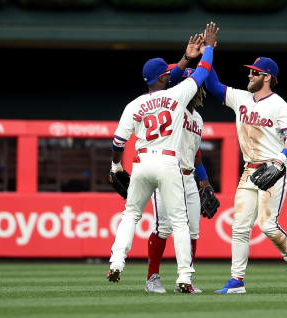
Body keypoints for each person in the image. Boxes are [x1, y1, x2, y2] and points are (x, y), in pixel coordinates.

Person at [107, 22, 219, 293]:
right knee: (178, 222)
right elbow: (203, 72)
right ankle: (183, 276)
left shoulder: (135, 104)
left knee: (131, 214)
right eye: (167, 74)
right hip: (168, 163)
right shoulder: (176, 97)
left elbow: (118, 142)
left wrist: (115, 166)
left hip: (143, 161)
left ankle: (116, 262)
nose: (171, 75)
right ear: (162, 78)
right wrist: (209, 49)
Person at [204, 56, 287, 293]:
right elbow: (212, 85)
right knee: (239, 227)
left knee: (268, 226)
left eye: (255, 72)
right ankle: (237, 280)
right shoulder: (240, 97)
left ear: (267, 77)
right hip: (249, 171)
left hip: (274, 169)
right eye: (250, 71)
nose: (250, 75)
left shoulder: (280, 105)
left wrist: (282, 158)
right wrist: (207, 51)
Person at [145, 68, 215, 294]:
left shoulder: (198, 119)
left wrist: (205, 182)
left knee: (193, 231)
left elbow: (195, 155)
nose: (192, 86)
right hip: (167, 174)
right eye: (186, 82)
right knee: (163, 229)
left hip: (189, 178)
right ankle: (152, 278)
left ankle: (184, 280)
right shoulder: (171, 107)